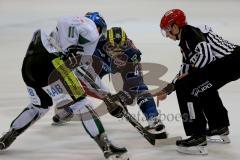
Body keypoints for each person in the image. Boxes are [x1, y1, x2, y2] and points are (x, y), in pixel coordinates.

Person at [0, 13, 129, 160]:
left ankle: (7, 137)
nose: (99, 36)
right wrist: (70, 46)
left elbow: (84, 71)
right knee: (83, 102)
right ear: (99, 26)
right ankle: (106, 145)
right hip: (51, 60)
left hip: (30, 64)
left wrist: (108, 95)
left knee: (39, 106)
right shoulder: (90, 27)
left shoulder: (69, 39)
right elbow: (64, 21)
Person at [54, 27, 168, 139]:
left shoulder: (132, 54)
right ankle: (69, 106)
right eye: (112, 47)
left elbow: (135, 83)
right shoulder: (95, 45)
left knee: (140, 88)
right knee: (80, 83)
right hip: (96, 66)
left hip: (122, 68)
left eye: (121, 48)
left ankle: (153, 118)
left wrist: (122, 97)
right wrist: (109, 99)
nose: (116, 52)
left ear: (126, 46)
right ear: (105, 43)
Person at [156, 8, 240, 155]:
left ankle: (197, 136)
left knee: (186, 86)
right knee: (201, 86)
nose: (167, 35)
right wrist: (167, 90)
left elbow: (206, 57)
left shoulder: (189, 33)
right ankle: (219, 126)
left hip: (230, 63)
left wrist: (189, 75)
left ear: (175, 27)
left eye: (168, 30)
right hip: (232, 62)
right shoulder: (186, 40)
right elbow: (185, 68)